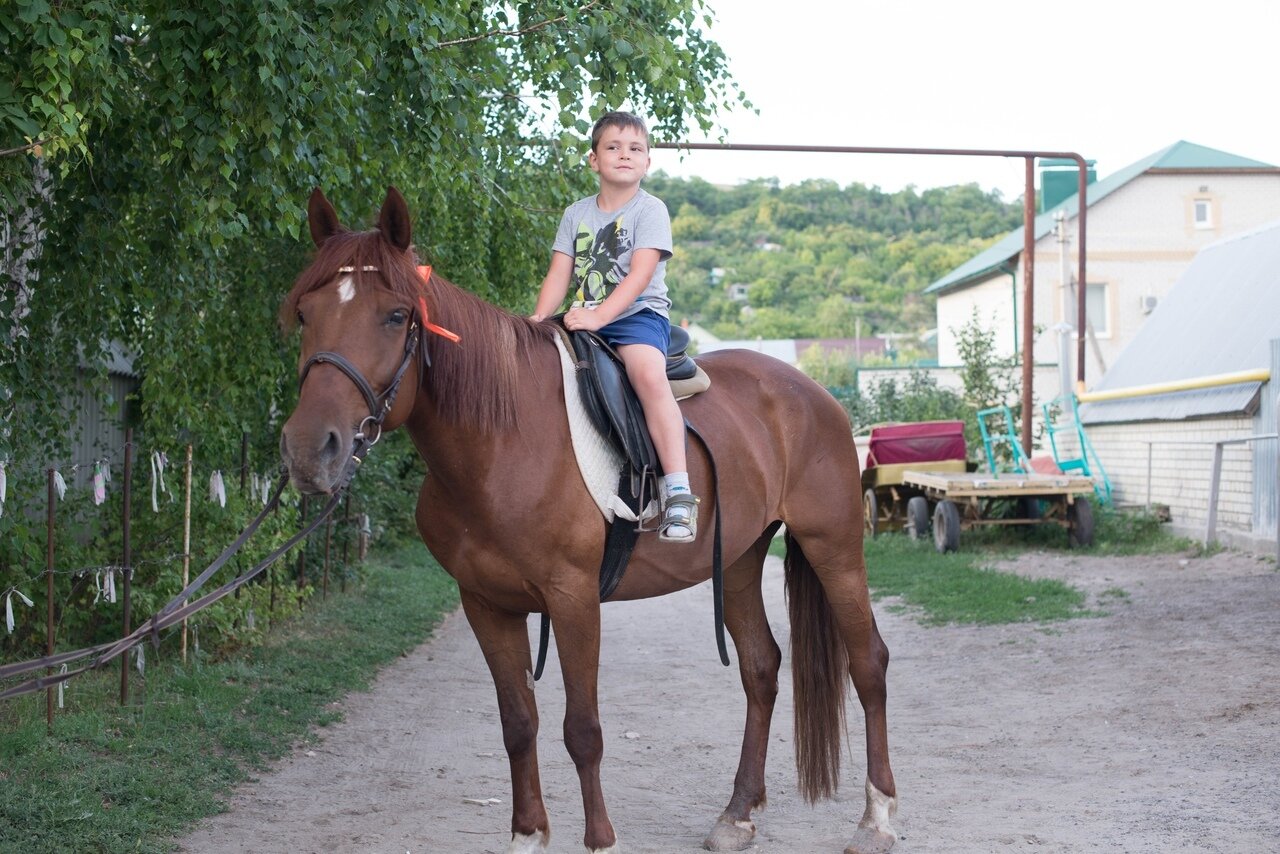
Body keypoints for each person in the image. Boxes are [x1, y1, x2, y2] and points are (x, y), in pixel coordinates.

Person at [531, 110, 698, 543]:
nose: (625, 155)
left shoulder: (650, 209)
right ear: (593, 160)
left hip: (636, 317)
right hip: (583, 319)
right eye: (613, 147)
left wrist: (601, 316)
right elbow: (559, 274)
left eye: (635, 149)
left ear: (647, 162)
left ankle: (678, 491)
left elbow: (640, 274)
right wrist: (535, 320)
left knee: (646, 374)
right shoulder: (576, 213)